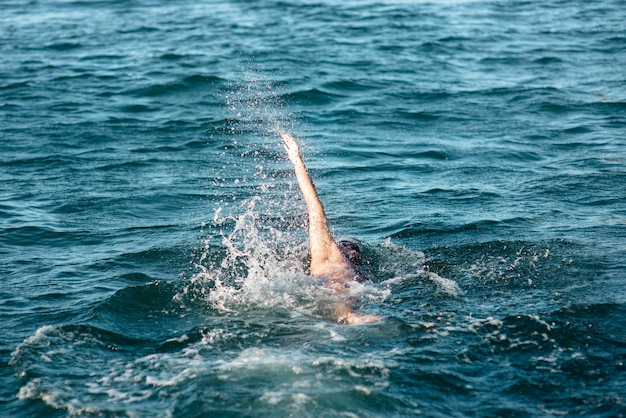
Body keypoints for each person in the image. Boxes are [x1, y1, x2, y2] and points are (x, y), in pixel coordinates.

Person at [281, 133, 381, 324]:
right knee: (344, 304)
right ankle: (348, 316)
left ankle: (348, 316)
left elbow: (315, 207)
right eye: (348, 247)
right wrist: (297, 161)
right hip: (336, 288)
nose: (351, 250)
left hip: (331, 288)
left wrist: (297, 159)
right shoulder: (328, 255)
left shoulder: (340, 264)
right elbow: (314, 207)